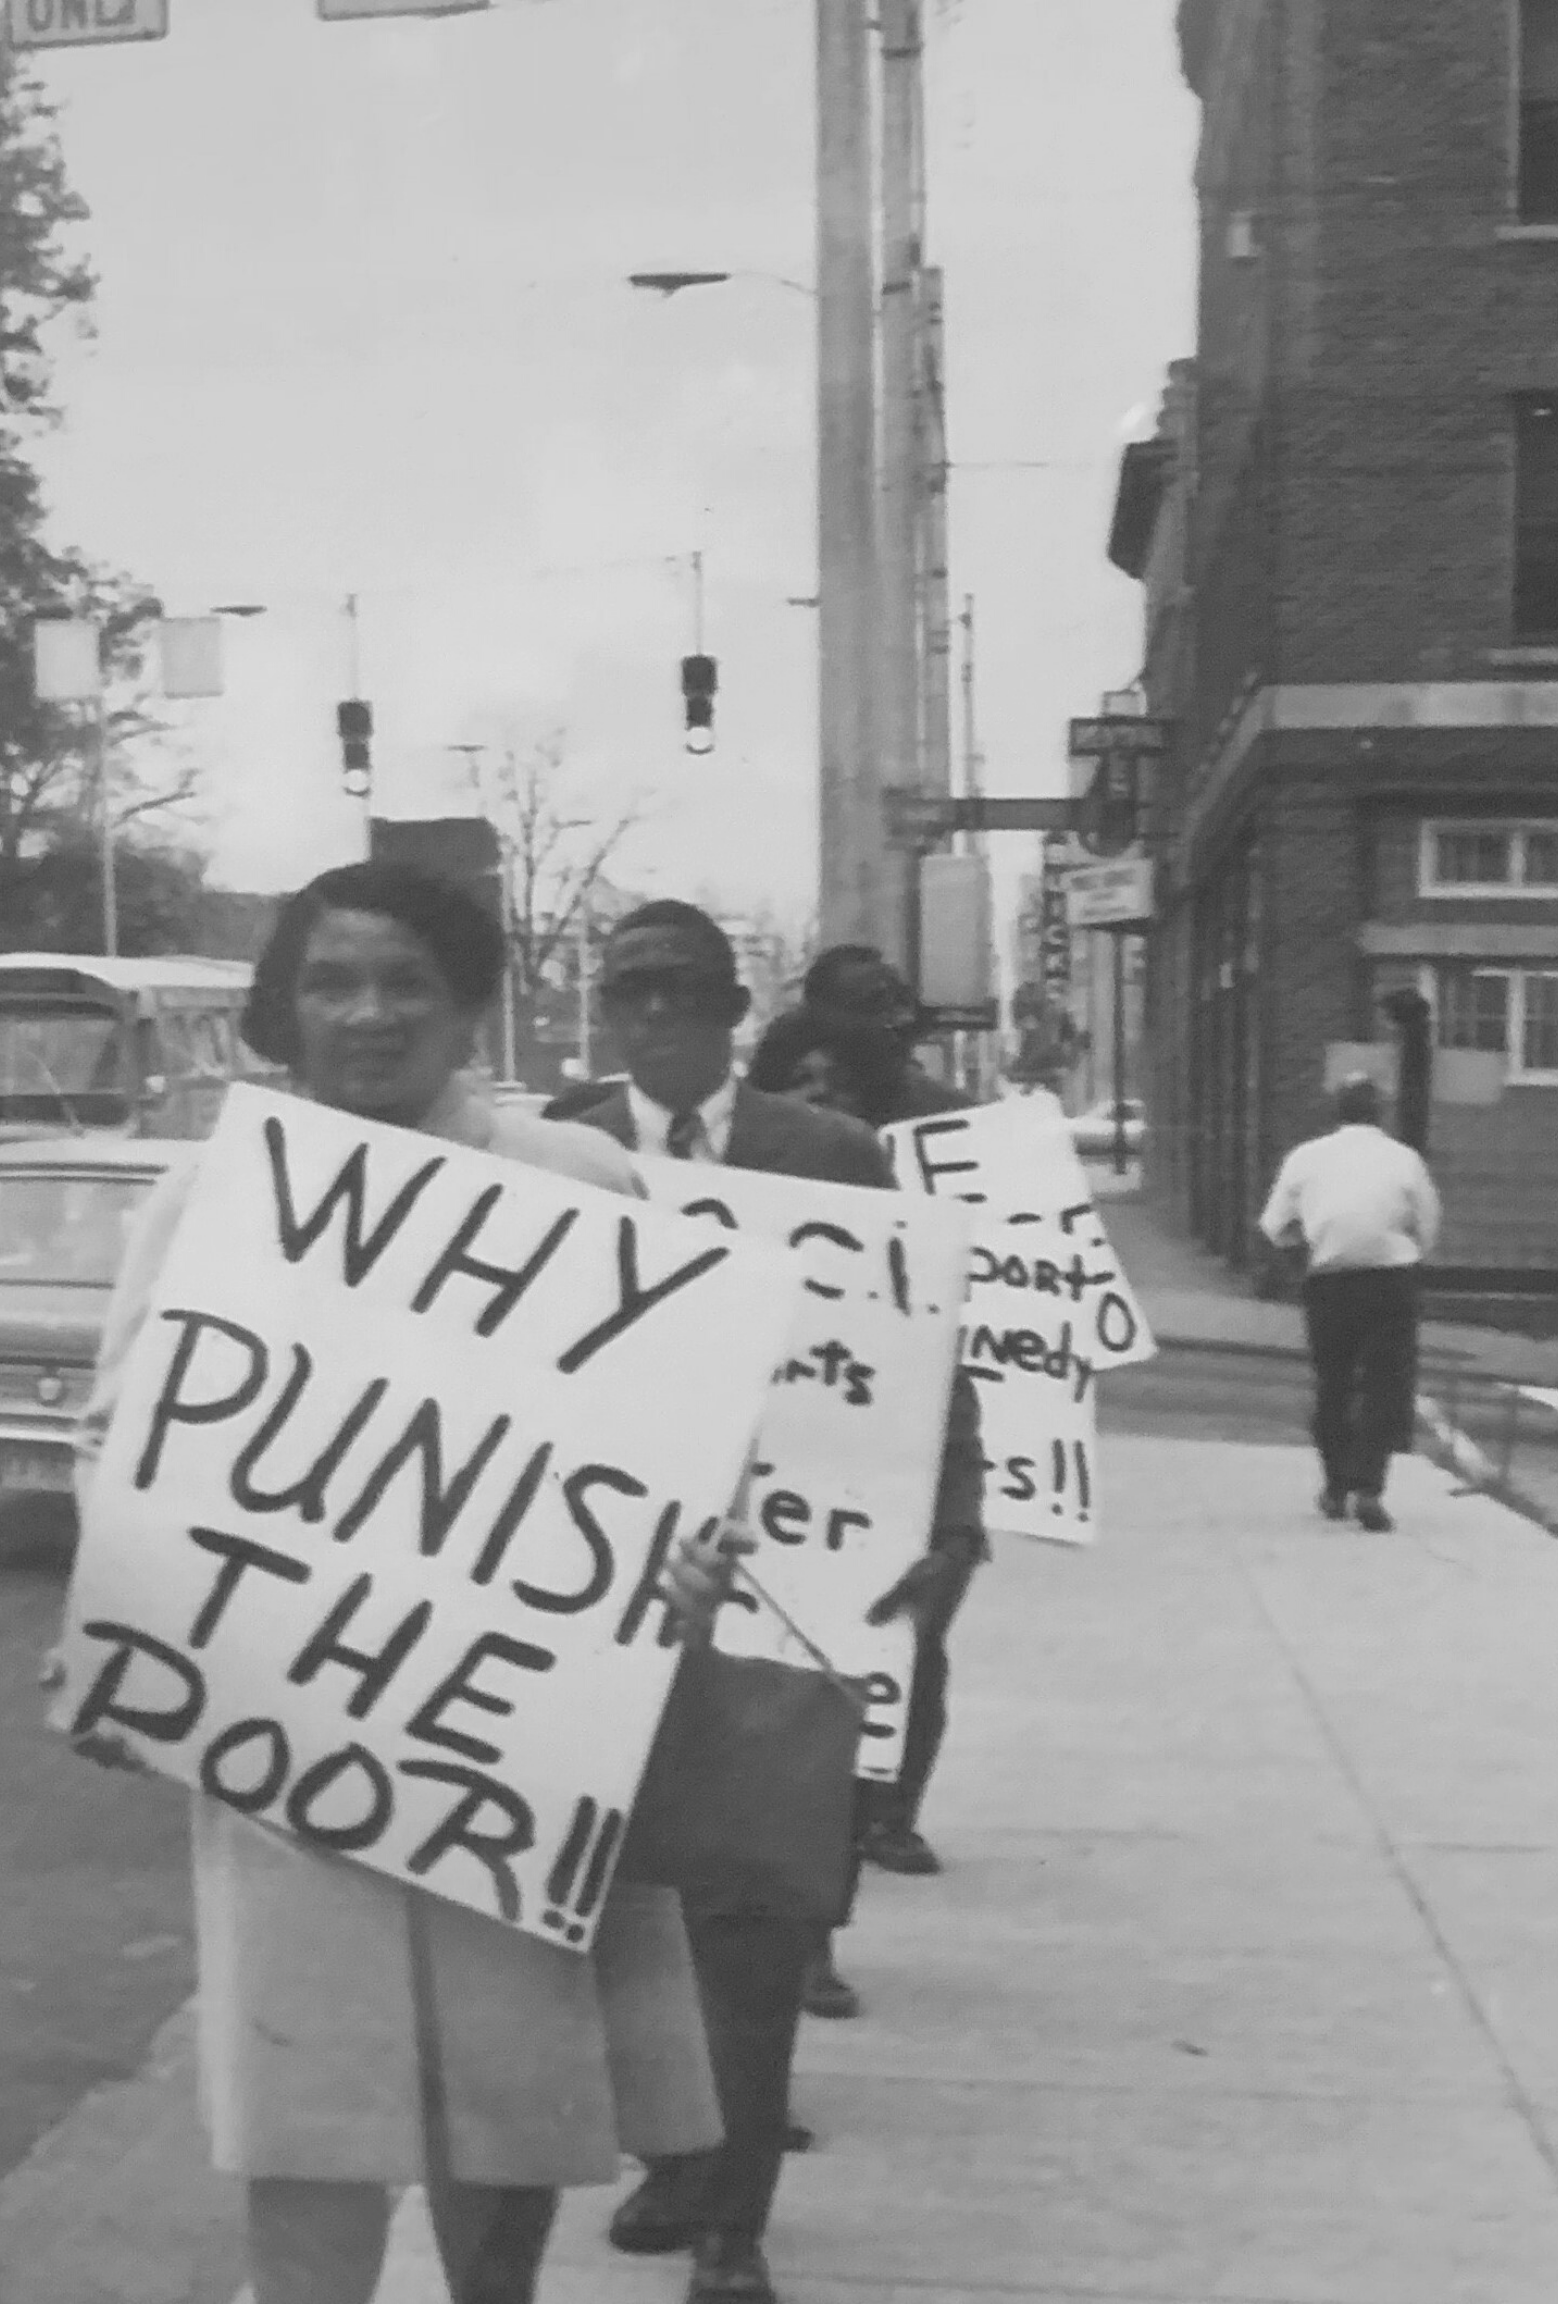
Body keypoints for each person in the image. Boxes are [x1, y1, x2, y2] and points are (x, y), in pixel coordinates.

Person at [58, 863, 740, 2304]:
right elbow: (124, 1436)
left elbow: (683, 1452)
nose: (369, 1015)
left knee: (512, 2107)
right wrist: (140, 1605)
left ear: (467, 1006)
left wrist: (686, 1562)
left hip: (516, 1745)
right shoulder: (215, 1197)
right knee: (306, 2110)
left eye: (405, 985)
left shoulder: (577, 1183)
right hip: (290, 1741)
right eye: (332, 982)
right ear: (284, 1010)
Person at [547, 902, 984, 2304]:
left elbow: (925, 1355)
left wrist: (950, 1524)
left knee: (752, 1923)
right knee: (622, 1921)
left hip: (784, 1599)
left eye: (683, 991)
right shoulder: (554, 1150)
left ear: (734, 1009)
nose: (657, 1015)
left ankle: (736, 2221)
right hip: (594, 1601)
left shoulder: (834, 1158)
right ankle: (674, 2165)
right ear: (604, 1013)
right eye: (631, 992)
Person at [746, 1006, 983, 1879]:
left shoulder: (912, 1221)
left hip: (883, 1495)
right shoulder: (737, 1203)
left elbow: (945, 1375)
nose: (823, 1102)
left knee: (899, 1663)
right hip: (769, 1500)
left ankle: (885, 1821)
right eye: (803, 1085)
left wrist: (958, 1520)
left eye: (840, 1085)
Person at [1257, 1074, 1442, 1533]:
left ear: (1337, 1111)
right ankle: (1370, 1489)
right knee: (1386, 1384)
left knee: (1333, 1383)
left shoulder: (1306, 1157)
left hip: (1330, 1281)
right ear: (1380, 1113)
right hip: (1390, 1280)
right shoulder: (1404, 1160)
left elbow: (1273, 1224)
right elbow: (1428, 1224)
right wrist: (1410, 1252)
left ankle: (1335, 1486)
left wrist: (1305, 1246)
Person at [800, 944, 973, 1124]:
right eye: (875, 1005)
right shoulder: (790, 1118)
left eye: (903, 1001)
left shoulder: (955, 1117)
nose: (905, 1019)